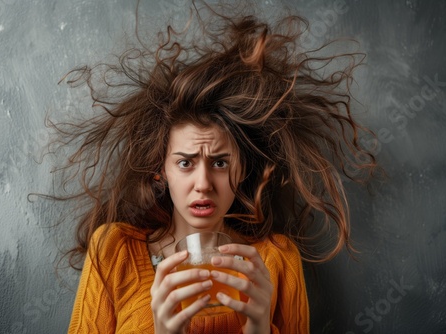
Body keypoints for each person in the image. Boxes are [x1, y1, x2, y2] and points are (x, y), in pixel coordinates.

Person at [50, 1, 377, 333]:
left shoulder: (277, 259)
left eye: (220, 162)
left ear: (243, 169)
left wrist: (259, 327)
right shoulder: (114, 250)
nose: (203, 183)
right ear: (159, 171)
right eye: (185, 163)